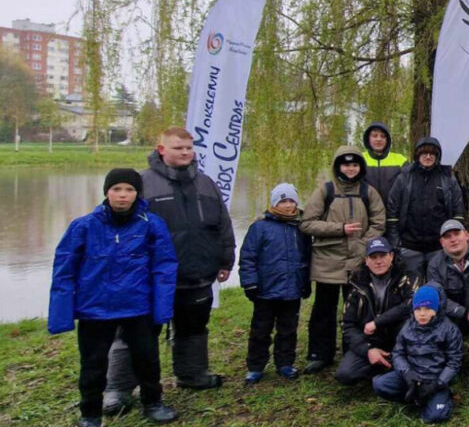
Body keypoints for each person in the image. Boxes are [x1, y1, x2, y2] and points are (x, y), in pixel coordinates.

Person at [104, 127, 236, 409]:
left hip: (198, 274)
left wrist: (226, 260)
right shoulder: (141, 184)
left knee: (194, 328)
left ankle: (192, 374)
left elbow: (223, 225)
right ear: (162, 149)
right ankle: (119, 390)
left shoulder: (206, 184)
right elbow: (117, 229)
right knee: (133, 334)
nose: (186, 152)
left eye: (189, 147)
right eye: (178, 148)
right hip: (150, 279)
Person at [49, 169, 179, 427]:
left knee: (147, 359)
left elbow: (165, 267)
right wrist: (61, 315)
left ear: (137, 194)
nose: (123, 195)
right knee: (93, 365)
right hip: (95, 310)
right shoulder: (83, 226)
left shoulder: (152, 224)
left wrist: (162, 309)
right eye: (117, 189)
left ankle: (153, 402)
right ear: (107, 192)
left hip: (138, 307)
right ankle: (90, 417)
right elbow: (64, 271)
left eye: (129, 190)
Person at [300, 145, 386, 374]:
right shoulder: (325, 191)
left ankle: (353, 351)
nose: (351, 168)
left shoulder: (369, 192)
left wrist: (363, 243)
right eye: (346, 164)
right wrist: (340, 229)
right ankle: (320, 353)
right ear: (339, 166)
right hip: (328, 261)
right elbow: (307, 223)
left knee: (356, 311)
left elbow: (379, 222)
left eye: (355, 164)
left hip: (357, 261)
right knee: (323, 310)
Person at [239, 183, 312, 384]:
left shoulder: (300, 228)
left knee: (288, 329)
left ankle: (285, 363)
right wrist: (249, 283)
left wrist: (305, 282)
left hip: (292, 291)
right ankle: (255, 366)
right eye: (283, 201)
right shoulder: (260, 227)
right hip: (265, 291)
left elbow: (306, 257)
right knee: (260, 331)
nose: (288, 205)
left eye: (291, 201)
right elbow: (248, 257)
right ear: (274, 204)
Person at [372, 285, 463, 424]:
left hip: (435, 379)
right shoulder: (407, 327)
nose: (422, 314)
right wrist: (408, 374)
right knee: (380, 384)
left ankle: (433, 398)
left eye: (428, 309)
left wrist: (436, 384)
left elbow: (454, 363)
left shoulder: (450, 330)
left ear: (437, 309)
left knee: (436, 417)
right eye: (418, 309)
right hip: (412, 376)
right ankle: (414, 396)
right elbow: (398, 353)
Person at [335, 238, 417, 386]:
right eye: (373, 257)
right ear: (366, 260)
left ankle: (401, 366)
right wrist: (368, 350)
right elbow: (347, 325)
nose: (378, 261)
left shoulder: (407, 276)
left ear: (391, 256)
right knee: (345, 375)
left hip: (398, 337)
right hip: (370, 340)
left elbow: (410, 305)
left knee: (411, 324)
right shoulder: (356, 284)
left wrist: (378, 322)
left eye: (383, 256)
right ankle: (383, 366)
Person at [386, 137, 465, 281]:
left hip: (438, 247)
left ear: (437, 156)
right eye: (424, 153)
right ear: (417, 156)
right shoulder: (404, 177)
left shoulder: (447, 178)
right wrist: (395, 242)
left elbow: (458, 211)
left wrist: (453, 240)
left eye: (432, 154)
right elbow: (392, 212)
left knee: (437, 288)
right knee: (411, 290)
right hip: (409, 246)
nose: (428, 157)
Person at [427, 220, 469, 364]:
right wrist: (467, 313)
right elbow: (437, 298)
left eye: (457, 234)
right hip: (455, 317)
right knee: (448, 359)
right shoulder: (435, 263)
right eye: (447, 236)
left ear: (466, 235)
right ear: (442, 242)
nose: (453, 239)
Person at [361, 121, 408, 208]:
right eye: (374, 136)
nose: (379, 139)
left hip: (393, 214)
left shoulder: (401, 160)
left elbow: (408, 190)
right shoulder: (360, 159)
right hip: (365, 213)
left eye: (383, 136)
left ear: (388, 140)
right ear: (368, 138)